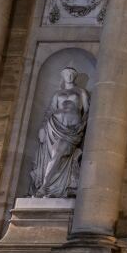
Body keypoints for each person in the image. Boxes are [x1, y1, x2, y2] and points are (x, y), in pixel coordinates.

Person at [30, 67, 90, 198]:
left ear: (75, 76)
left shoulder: (81, 92)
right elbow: (50, 111)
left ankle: (44, 187)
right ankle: (52, 187)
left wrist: (82, 125)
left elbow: (87, 111)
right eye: (66, 73)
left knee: (57, 153)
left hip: (71, 130)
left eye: (72, 73)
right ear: (62, 76)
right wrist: (42, 128)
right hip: (53, 127)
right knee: (53, 156)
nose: (69, 75)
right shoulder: (58, 94)